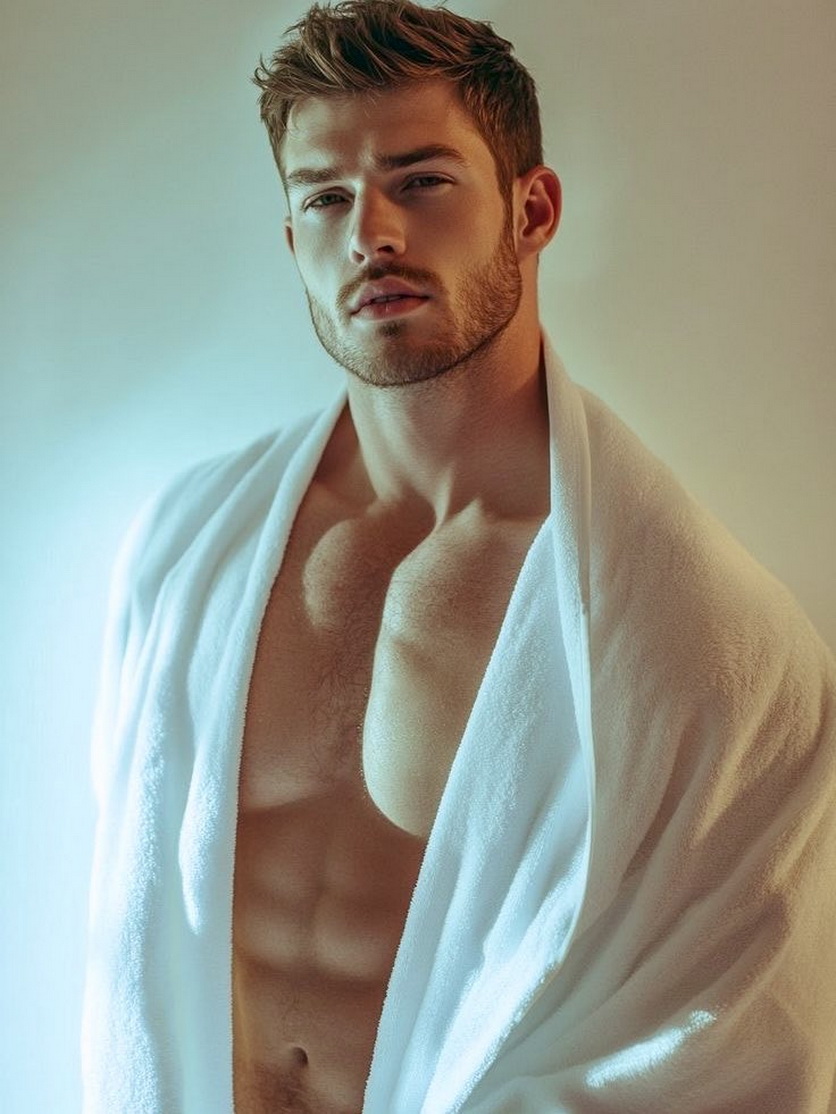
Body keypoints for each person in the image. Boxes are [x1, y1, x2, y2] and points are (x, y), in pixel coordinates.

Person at [82, 2, 836, 1112]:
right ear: (292, 241)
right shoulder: (186, 549)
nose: (371, 234)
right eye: (325, 198)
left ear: (532, 211)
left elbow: (722, 1036)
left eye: (421, 180)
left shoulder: (699, 633)